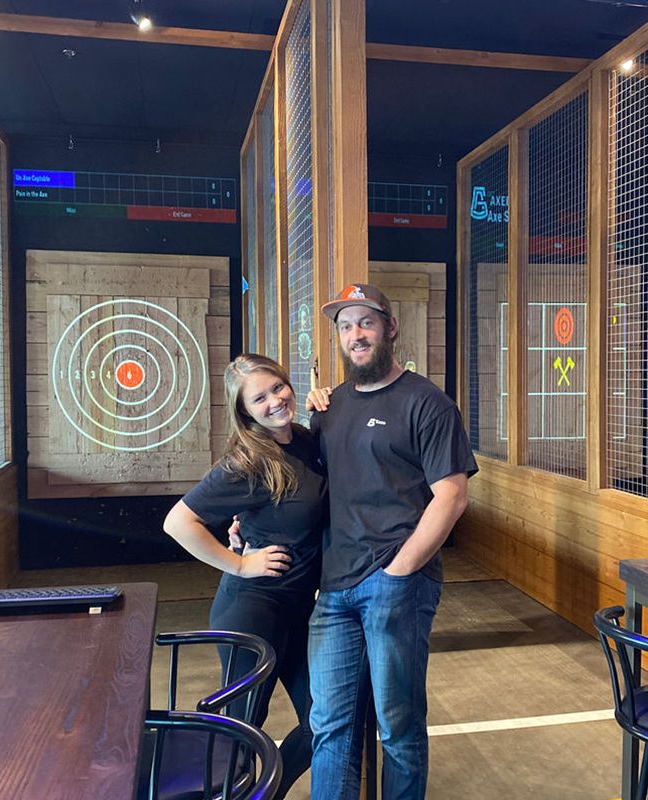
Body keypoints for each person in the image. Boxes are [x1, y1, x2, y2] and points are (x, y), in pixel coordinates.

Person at [305, 283, 478, 800]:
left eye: (366, 322)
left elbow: (452, 497)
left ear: (389, 328)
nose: (355, 334)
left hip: (396, 585)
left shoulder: (427, 403)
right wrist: (249, 523)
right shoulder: (328, 408)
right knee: (330, 725)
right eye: (345, 326)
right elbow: (307, 486)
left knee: (397, 725)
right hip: (335, 588)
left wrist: (400, 570)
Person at [163, 353, 325, 800]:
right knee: (239, 733)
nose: (275, 401)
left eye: (278, 388)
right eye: (260, 397)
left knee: (325, 718)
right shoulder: (248, 462)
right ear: (245, 410)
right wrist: (238, 563)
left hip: (297, 608)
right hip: (251, 610)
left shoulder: (308, 443)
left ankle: (264, 795)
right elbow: (178, 522)